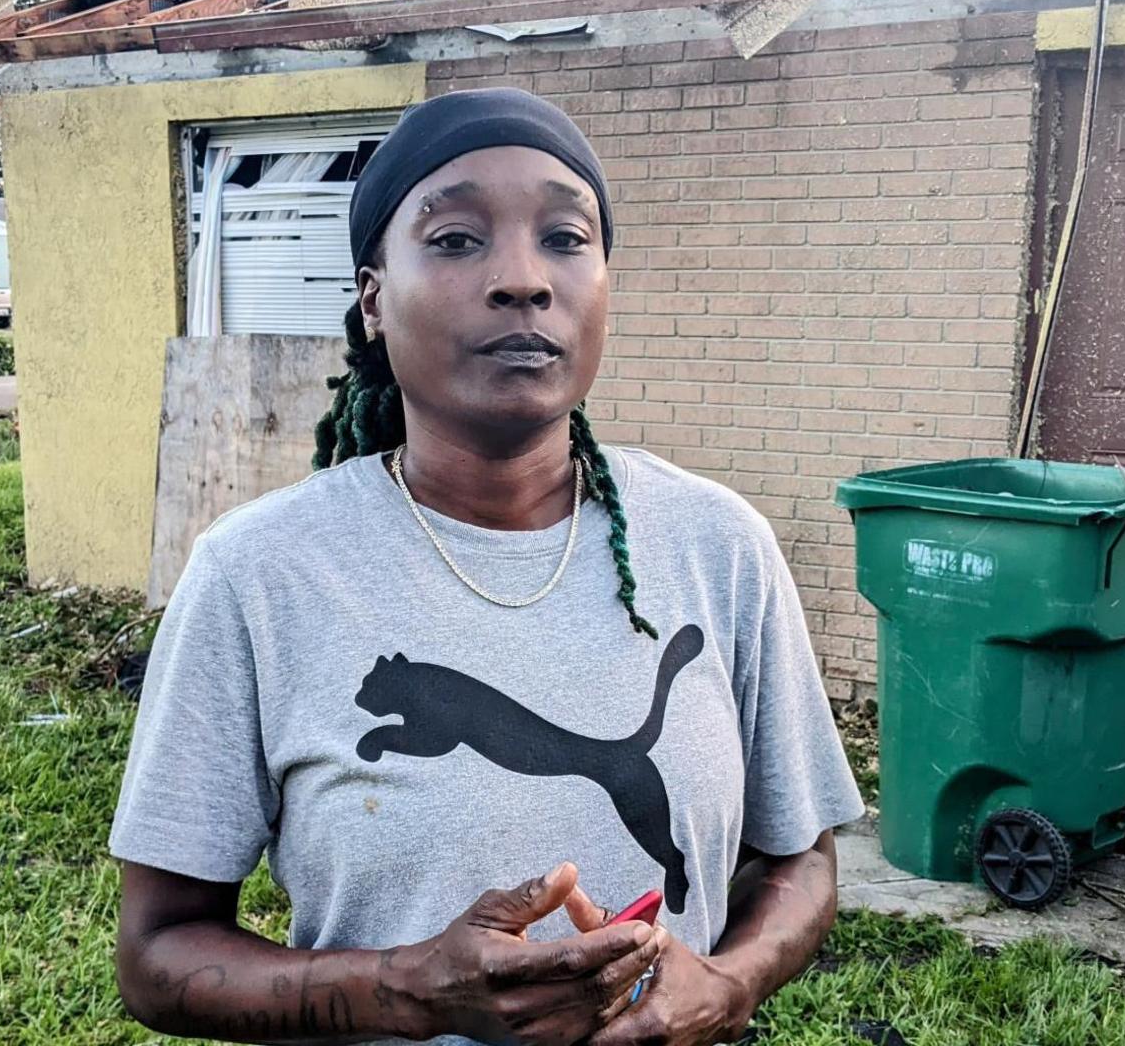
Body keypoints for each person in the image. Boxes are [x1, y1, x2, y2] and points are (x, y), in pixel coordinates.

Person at [110, 87, 864, 1046]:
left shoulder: (720, 545)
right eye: (458, 238)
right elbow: (158, 951)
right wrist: (402, 989)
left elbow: (799, 862)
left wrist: (726, 986)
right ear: (373, 298)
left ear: (603, 283)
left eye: (564, 237)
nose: (522, 279)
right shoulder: (258, 575)